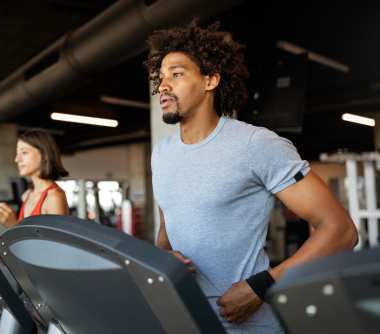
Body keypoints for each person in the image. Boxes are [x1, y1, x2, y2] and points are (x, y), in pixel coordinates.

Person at [145, 20, 357, 333]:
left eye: (176, 74)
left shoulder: (255, 145)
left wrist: (262, 286)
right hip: (183, 318)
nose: (163, 86)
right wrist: (165, 257)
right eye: (160, 78)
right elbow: (167, 230)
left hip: (246, 325)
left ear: (210, 80)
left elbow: (340, 231)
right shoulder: (161, 153)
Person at [0, 128, 69, 227]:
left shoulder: (54, 198)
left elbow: (56, 242)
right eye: (17, 154)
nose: (17, 159)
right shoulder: (27, 195)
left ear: (44, 155)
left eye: (24, 152)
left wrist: (13, 225)